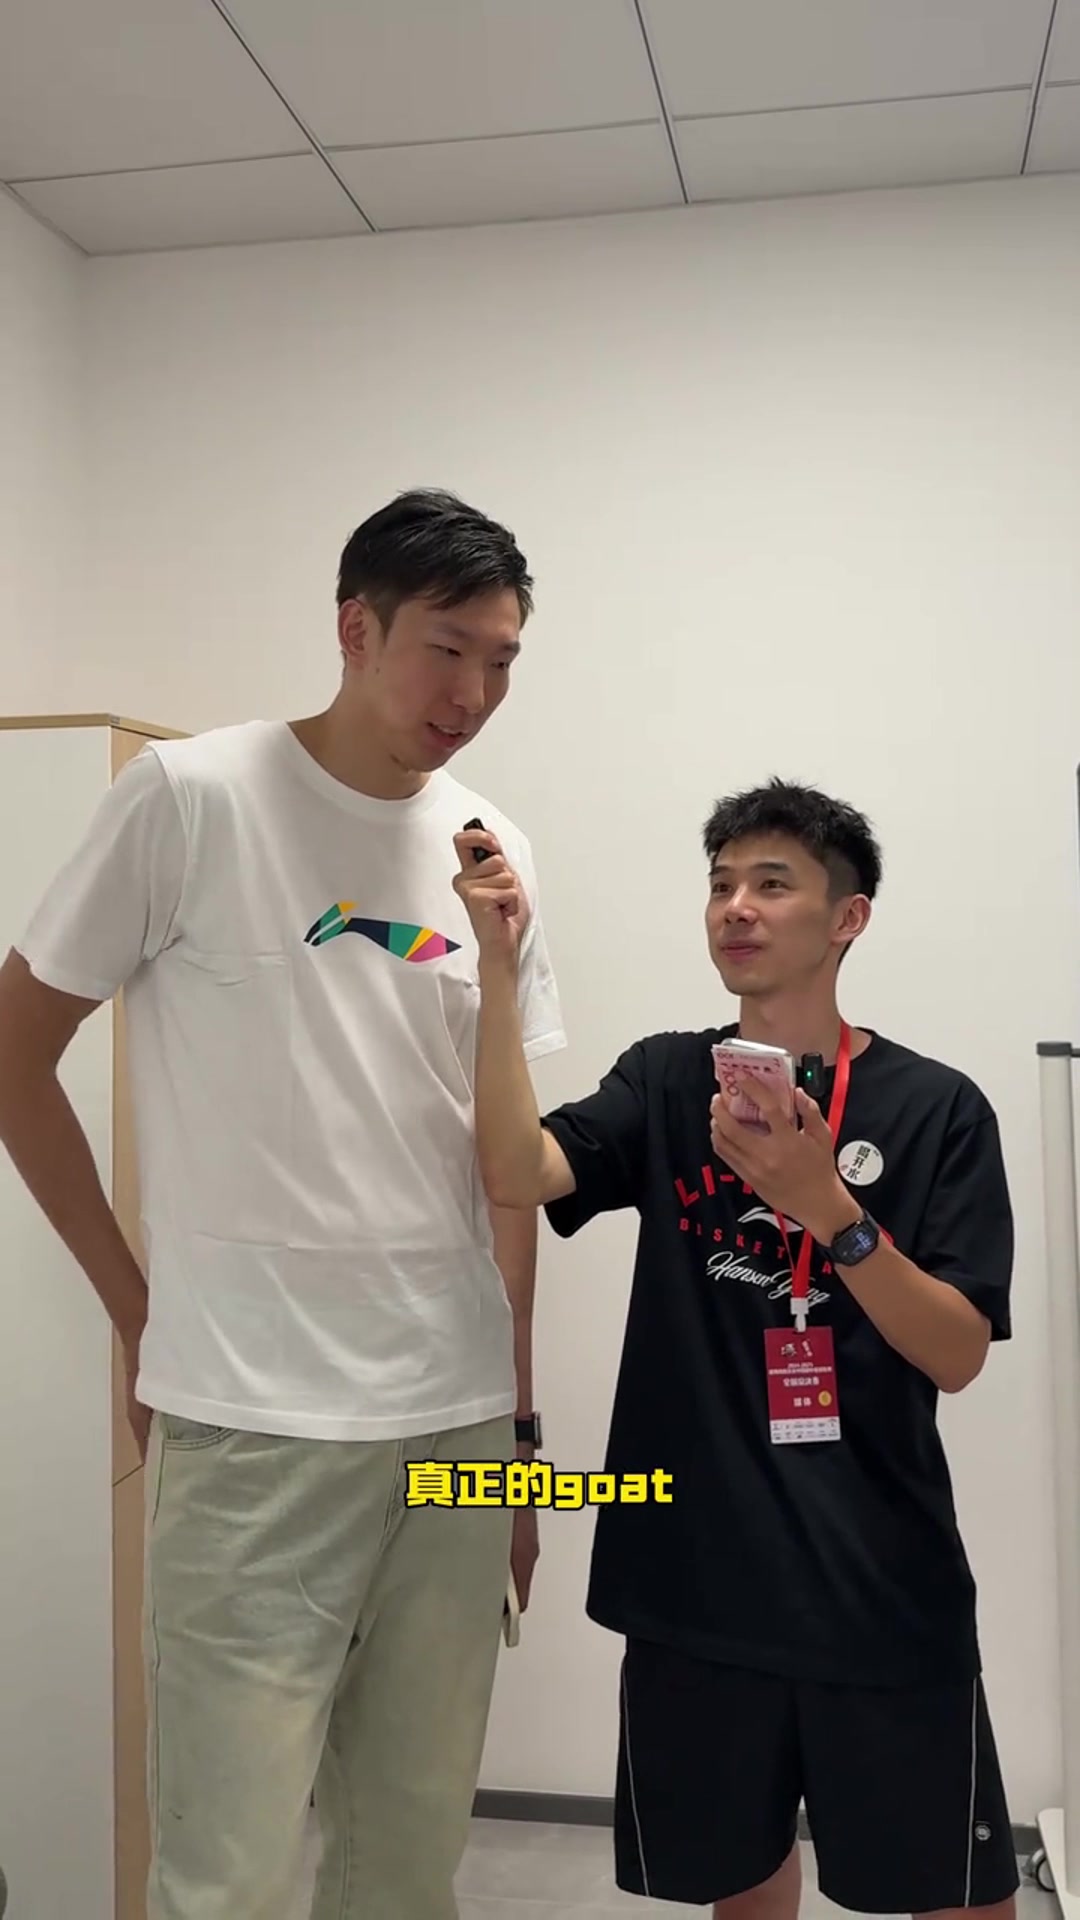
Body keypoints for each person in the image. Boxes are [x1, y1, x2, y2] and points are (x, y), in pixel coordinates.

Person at [0, 489, 565, 1920]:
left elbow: (505, 1168)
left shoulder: (494, 846)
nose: (472, 693)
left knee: (409, 1861)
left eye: (502, 660)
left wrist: (517, 1433)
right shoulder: (191, 798)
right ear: (354, 628)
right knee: (228, 1872)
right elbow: (13, 1058)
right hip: (253, 1424)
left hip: (450, 1428)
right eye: (447, 649)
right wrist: (135, 1311)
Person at [452, 778, 1018, 1920]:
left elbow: (957, 1352)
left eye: (771, 883)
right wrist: (499, 969)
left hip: (879, 1587)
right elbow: (515, 1172)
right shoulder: (669, 1080)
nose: (736, 908)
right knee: (743, 1893)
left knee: (961, 1898)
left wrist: (831, 1211)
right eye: (720, 885)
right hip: (697, 1587)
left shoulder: (937, 1107)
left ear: (848, 917)